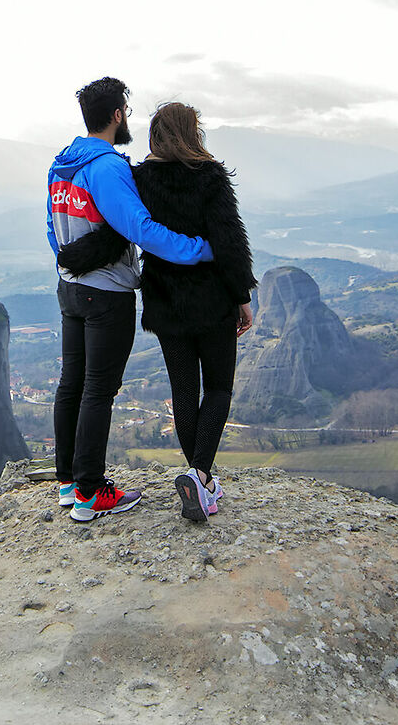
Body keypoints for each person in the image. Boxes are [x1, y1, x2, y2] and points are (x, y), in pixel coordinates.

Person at [59, 103, 255, 524]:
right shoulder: (210, 176)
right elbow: (229, 242)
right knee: (218, 388)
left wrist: (72, 257)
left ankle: (198, 479)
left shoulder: (140, 178)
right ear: (192, 132)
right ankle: (200, 476)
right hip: (213, 300)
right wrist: (241, 294)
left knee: (183, 391)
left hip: (165, 302)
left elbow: (118, 233)